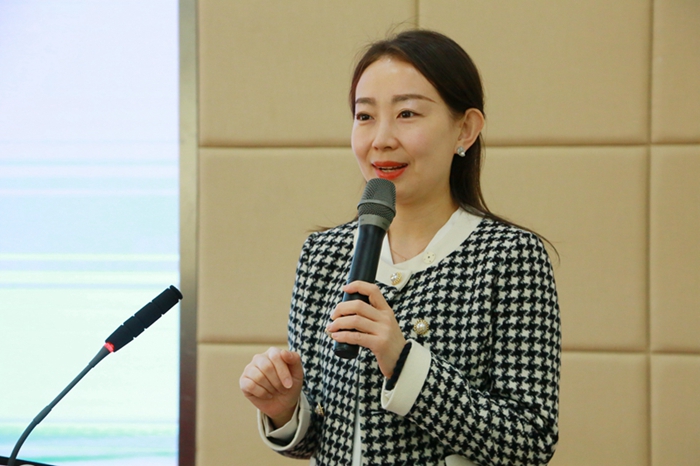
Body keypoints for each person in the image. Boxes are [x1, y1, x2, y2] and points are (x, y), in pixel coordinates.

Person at [239, 29, 561, 466]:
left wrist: (403, 361)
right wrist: (284, 408)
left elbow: (530, 443)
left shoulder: (509, 258)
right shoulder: (323, 254)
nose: (381, 139)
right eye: (365, 116)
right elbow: (317, 440)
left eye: (407, 113)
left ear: (465, 129)